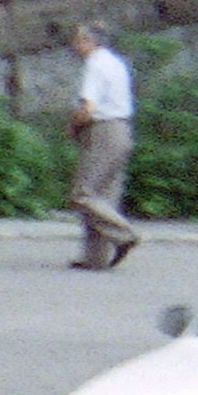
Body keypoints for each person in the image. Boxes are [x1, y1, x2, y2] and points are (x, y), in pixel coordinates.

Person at [67, 24, 138, 270]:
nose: (74, 46)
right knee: (103, 197)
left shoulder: (95, 65)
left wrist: (73, 125)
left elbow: (88, 108)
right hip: (123, 128)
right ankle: (95, 257)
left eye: (77, 40)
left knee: (83, 193)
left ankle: (124, 234)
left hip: (103, 131)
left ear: (88, 41)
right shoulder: (116, 63)